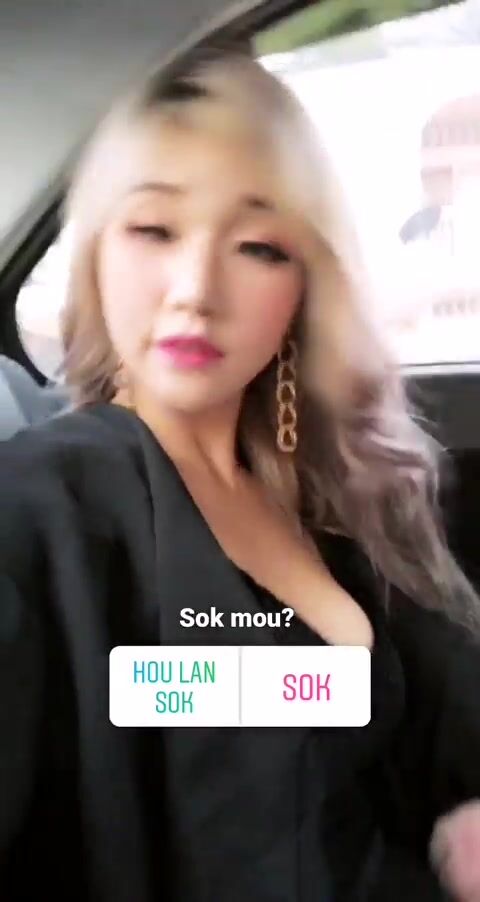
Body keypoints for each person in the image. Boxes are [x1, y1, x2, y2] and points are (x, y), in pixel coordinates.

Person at [1, 48, 480, 902]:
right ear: (97, 251)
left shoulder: (336, 488)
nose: (195, 289)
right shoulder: (44, 508)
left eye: (258, 246)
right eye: (154, 230)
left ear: (303, 284)